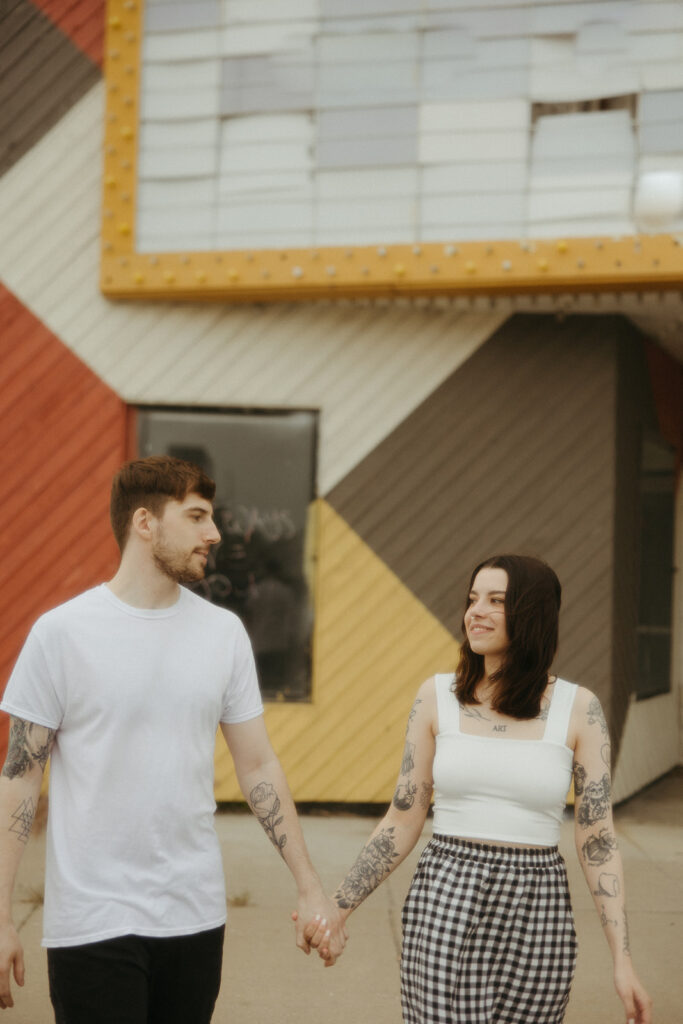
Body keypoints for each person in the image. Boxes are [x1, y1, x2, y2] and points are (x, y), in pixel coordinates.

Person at [0, 456, 345, 1022]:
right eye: (197, 517)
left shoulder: (223, 633)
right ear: (145, 522)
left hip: (194, 915)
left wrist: (309, 886)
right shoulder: (62, 634)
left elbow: (257, 766)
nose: (214, 534)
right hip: (93, 920)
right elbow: (19, 777)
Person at [305, 554, 652, 1023]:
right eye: (472, 599)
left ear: (532, 614)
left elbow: (597, 839)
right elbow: (403, 818)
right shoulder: (437, 697)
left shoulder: (579, 709)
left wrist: (622, 960)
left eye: (495, 600)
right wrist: (338, 908)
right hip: (448, 891)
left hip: (539, 902)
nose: (475, 611)